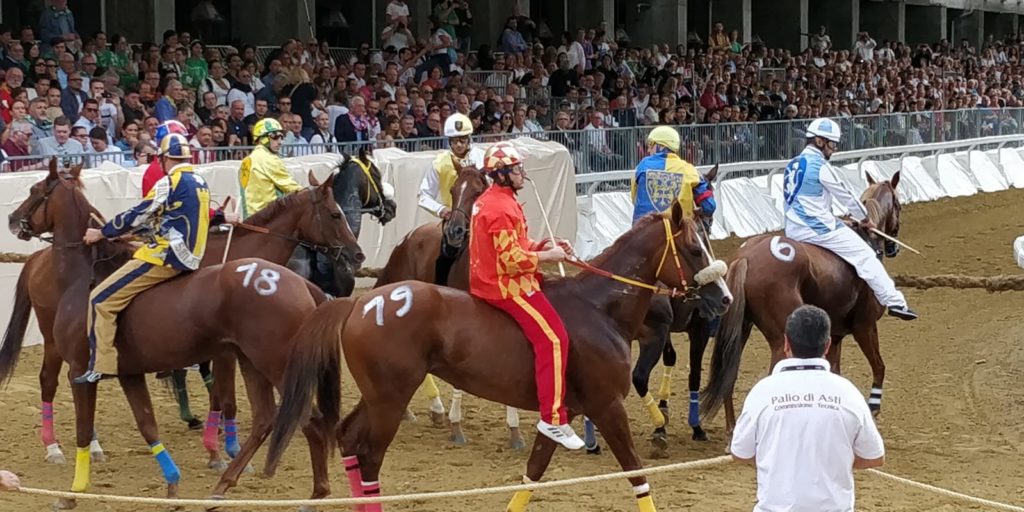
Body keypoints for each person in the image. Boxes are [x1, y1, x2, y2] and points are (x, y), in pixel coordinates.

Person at [468, 141, 583, 450]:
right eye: (517, 168)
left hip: (494, 278)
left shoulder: (496, 200)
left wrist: (544, 246)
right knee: (555, 339)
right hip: (504, 286)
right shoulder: (501, 207)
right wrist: (550, 256)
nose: (522, 173)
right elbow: (510, 261)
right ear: (502, 174)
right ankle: (553, 417)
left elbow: (515, 246)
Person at [74, 134, 211, 384]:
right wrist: (131, 234)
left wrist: (103, 232)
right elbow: (169, 217)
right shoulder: (200, 181)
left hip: (165, 255)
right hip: (194, 256)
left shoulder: (169, 181)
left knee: (99, 300)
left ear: (164, 158)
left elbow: (139, 213)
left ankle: (101, 364)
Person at [730, 304, 885, 512]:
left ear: (786, 343)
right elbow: (873, 457)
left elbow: (741, 453)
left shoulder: (762, 392)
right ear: (827, 345)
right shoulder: (849, 393)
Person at [782, 118, 917, 320]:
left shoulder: (791, 165)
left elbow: (801, 203)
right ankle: (895, 301)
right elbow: (845, 195)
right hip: (817, 229)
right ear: (819, 142)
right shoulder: (820, 166)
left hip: (792, 229)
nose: (834, 149)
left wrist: (843, 221)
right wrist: (865, 218)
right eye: (832, 144)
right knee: (866, 255)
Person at [417, 112, 479, 286]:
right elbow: (423, 195)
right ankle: (442, 286)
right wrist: (442, 210)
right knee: (446, 255)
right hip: (455, 221)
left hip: (481, 218)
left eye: (462, 139)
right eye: (454, 141)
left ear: (469, 139)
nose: (458, 145)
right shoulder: (439, 163)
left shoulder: (482, 159)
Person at [631, 125, 715, 226]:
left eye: (651, 145)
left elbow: (634, 198)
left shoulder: (642, 166)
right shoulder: (690, 170)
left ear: (661, 146)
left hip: (641, 228)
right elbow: (709, 206)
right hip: (679, 231)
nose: (649, 150)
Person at [237, 117, 301, 219]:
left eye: (281, 137)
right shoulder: (270, 159)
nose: (280, 142)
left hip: (248, 220)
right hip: (268, 220)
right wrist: (310, 193)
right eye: (275, 137)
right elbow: (292, 188)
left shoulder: (246, 160)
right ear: (263, 138)